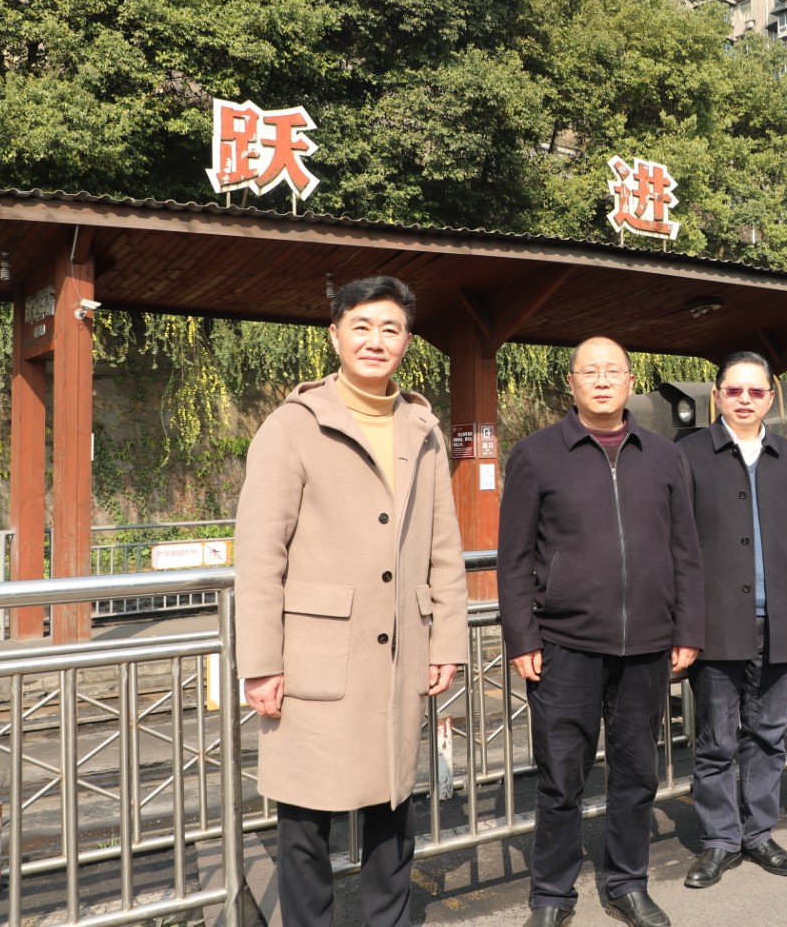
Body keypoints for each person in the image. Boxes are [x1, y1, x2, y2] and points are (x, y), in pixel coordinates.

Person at [235, 275, 468, 927]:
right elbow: (259, 553)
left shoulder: (422, 427)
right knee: (305, 821)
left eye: (390, 328)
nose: (375, 340)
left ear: (407, 341)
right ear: (335, 334)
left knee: (393, 812)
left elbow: (443, 546)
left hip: (399, 649)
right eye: (361, 326)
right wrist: (261, 661)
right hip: (316, 654)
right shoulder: (293, 425)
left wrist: (446, 639)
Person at [496, 337, 705, 927]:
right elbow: (514, 558)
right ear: (572, 383)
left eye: (614, 371)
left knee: (636, 773)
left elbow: (686, 551)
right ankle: (551, 894)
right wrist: (522, 637)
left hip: (647, 645)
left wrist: (688, 627)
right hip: (565, 645)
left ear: (631, 380)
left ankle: (627, 883)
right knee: (560, 777)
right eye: (591, 371)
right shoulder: (537, 454)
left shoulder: (664, 455)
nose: (603, 380)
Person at [678, 352, 787, 889]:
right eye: (734, 390)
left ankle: (759, 832)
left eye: (756, 391)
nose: (745, 399)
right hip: (716, 622)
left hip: (778, 618)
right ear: (717, 394)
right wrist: (683, 625)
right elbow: (678, 544)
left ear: (770, 397)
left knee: (767, 735)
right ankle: (720, 839)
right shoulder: (689, 453)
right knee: (716, 740)